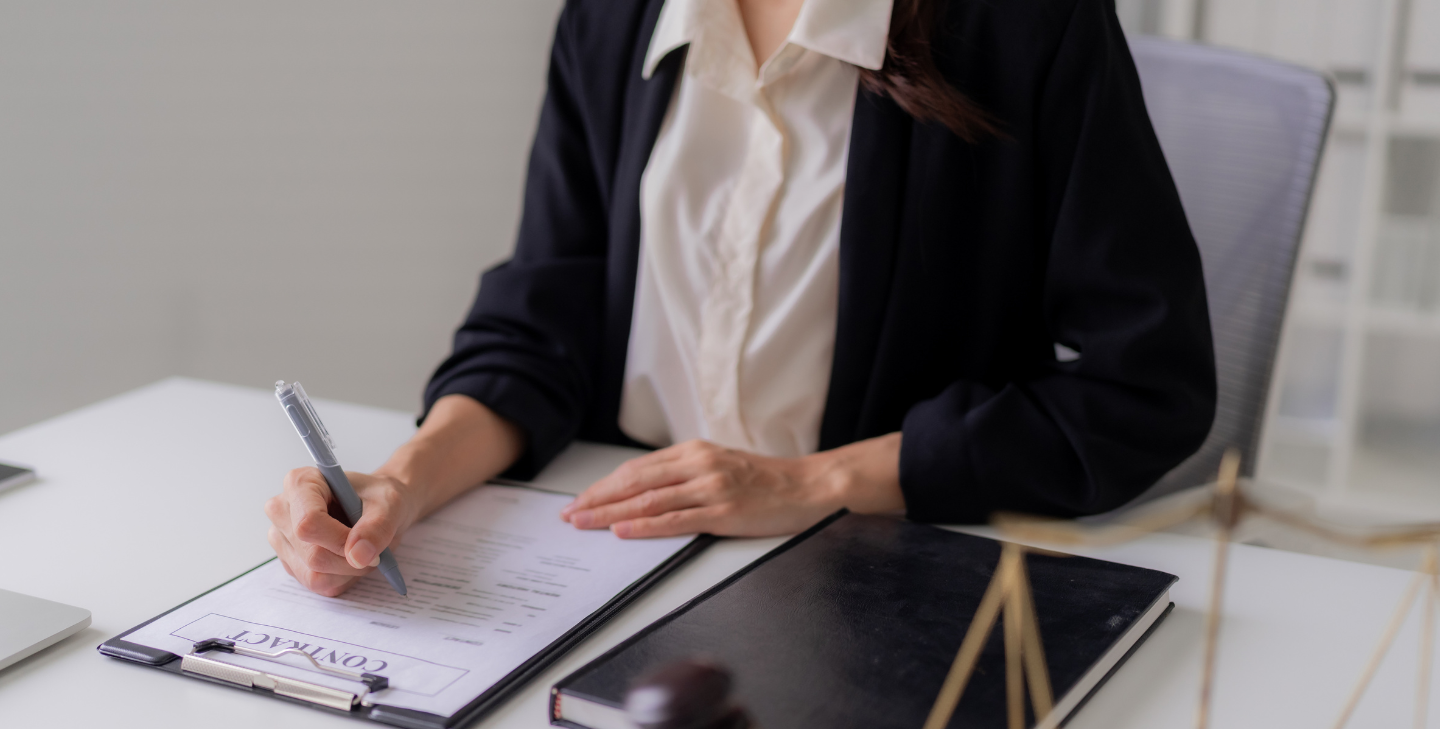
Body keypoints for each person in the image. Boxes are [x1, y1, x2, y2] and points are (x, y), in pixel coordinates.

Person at [266, 0, 1216, 598]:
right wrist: (405, 479)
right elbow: (542, 322)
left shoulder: (1026, 24)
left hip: (877, 580)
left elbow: (1146, 388)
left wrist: (810, 484)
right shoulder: (612, 18)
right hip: (611, 558)